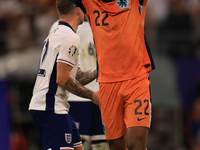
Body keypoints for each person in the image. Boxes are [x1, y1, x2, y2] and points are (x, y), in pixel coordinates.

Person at [67, 0, 156, 149]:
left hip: (136, 80)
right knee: (115, 145)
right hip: (108, 84)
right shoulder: (89, 2)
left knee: (137, 144)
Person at [28, 0, 99, 150]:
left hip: (54, 106)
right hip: (50, 107)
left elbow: (76, 76)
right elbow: (62, 78)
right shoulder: (69, 38)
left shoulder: (59, 32)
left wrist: (99, 70)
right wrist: (93, 96)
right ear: (78, 10)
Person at [49, 20, 108, 150]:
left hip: (102, 93)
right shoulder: (62, 26)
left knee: (103, 144)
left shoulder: (105, 20)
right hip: (76, 96)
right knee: (74, 144)